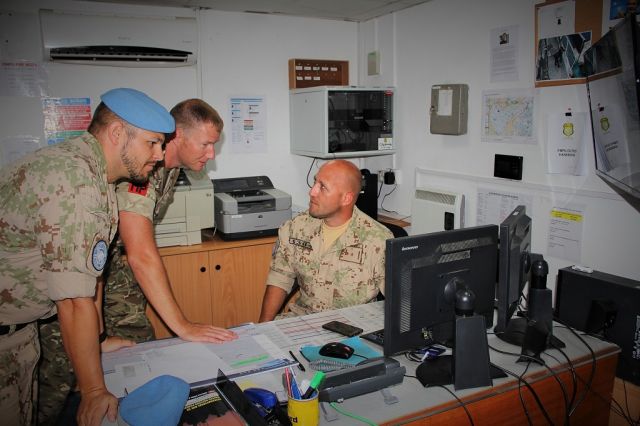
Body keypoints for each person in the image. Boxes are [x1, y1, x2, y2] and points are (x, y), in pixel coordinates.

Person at [38, 99, 238, 424]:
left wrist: (100, 337)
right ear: (178, 136)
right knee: (60, 385)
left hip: (109, 283)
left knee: (136, 366)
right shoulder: (139, 171)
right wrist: (183, 327)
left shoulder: (170, 169)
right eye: (206, 144)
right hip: (78, 287)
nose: (211, 154)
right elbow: (140, 253)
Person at [0, 87, 174, 426]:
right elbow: (73, 301)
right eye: (152, 143)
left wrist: (99, 340)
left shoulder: (95, 176)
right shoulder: (74, 182)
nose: (160, 155)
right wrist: (94, 391)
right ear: (117, 133)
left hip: (20, 333)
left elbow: (91, 274)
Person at [258, 160, 393, 322]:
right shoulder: (297, 227)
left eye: (323, 187)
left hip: (352, 326)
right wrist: (263, 328)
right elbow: (280, 278)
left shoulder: (377, 239)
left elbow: (399, 300)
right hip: (303, 320)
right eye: (315, 182)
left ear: (346, 198)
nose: (312, 192)